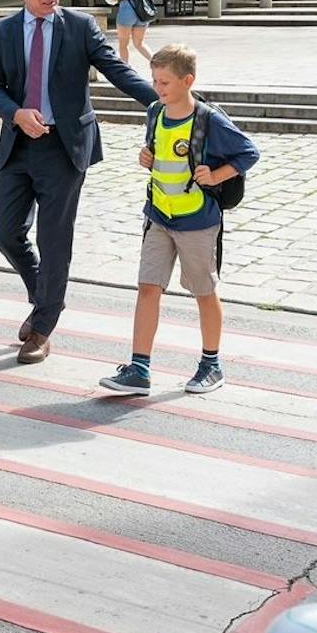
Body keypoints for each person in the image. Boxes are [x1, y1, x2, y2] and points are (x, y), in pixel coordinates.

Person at [0, 0, 158, 364]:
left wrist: (164, 101)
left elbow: (118, 71)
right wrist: (15, 113)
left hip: (65, 148)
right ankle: (47, 297)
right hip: (19, 143)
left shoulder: (79, 26)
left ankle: (43, 327)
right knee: (5, 232)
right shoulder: (4, 31)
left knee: (53, 238)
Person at [98, 44, 259, 396]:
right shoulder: (155, 113)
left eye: (165, 82)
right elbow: (159, 153)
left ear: (188, 81)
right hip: (158, 215)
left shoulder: (208, 119)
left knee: (204, 291)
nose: (158, 88)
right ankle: (139, 369)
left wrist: (217, 175)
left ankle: (211, 364)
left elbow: (249, 152)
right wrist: (147, 157)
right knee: (148, 286)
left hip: (197, 221)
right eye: (155, 81)